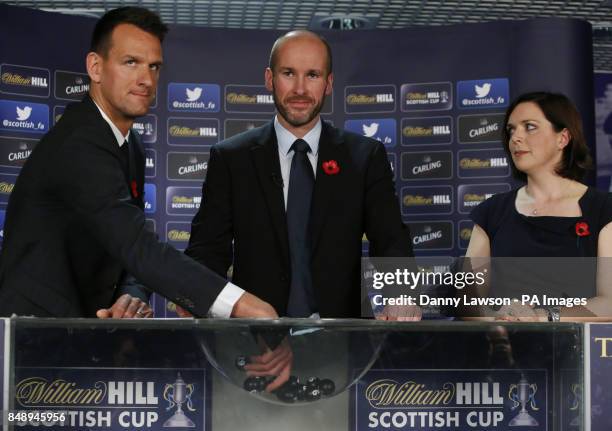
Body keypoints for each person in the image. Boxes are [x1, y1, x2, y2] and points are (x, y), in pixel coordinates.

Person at [0, 7, 275, 321]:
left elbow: (123, 242)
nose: (146, 79)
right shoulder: (80, 143)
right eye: (131, 62)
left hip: (78, 332)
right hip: (31, 334)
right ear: (95, 67)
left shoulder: (131, 145)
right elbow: (136, 244)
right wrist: (238, 304)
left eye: (154, 66)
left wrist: (131, 293)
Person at [185, 30, 416, 319]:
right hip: (256, 344)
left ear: (329, 83)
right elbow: (207, 251)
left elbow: (391, 240)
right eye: (288, 73)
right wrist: (199, 297)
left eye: (313, 75)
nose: (300, 89)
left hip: (343, 344)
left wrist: (402, 295)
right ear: (269, 79)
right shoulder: (231, 158)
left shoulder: (364, 157)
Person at [465, 91, 612, 321]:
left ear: (562, 138)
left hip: (579, 351)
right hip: (504, 349)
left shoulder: (604, 210)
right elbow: (467, 302)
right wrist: (499, 316)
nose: (516, 138)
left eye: (529, 127)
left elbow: (609, 303)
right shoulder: (491, 212)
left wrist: (545, 315)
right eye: (511, 129)